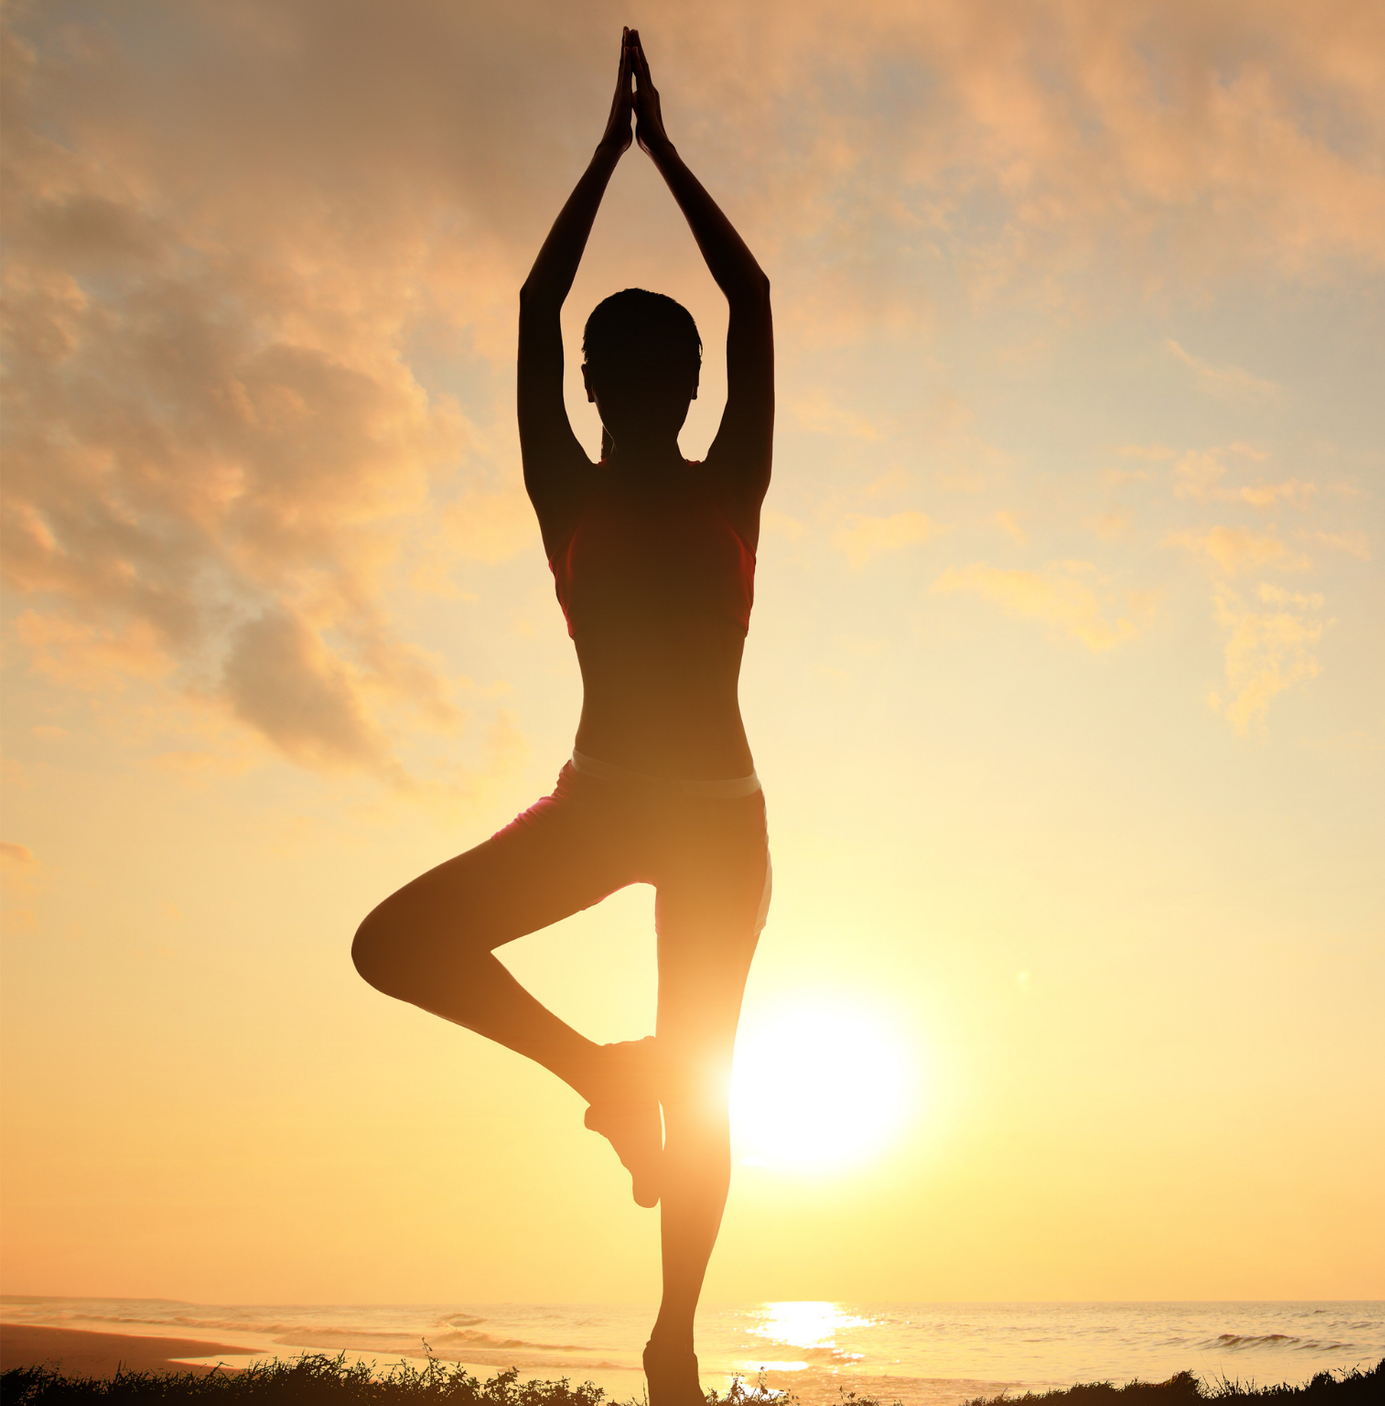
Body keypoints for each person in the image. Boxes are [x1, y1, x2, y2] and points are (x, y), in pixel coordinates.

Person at [351, 29, 772, 1405]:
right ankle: (602, 1072)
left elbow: (743, 294)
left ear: (684, 389)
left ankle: (674, 1338)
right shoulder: (570, 487)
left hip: (714, 822)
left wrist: (644, 153)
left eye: (652, 371)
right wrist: (621, 156)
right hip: (600, 800)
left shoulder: (726, 478)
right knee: (396, 941)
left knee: (705, 1087)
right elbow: (542, 306)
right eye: (612, 371)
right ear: (594, 391)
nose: (630, 387)